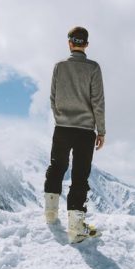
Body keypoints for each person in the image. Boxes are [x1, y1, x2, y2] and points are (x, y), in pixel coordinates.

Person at [43, 26, 105, 242]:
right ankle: (77, 228)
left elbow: (53, 98)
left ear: (69, 42)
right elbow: (98, 102)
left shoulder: (59, 67)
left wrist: (60, 118)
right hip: (85, 131)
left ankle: (50, 216)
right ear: (86, 44)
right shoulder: (94, 68)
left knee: (56, 167)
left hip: (62, 127)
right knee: (79, 176)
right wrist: (101, 130)